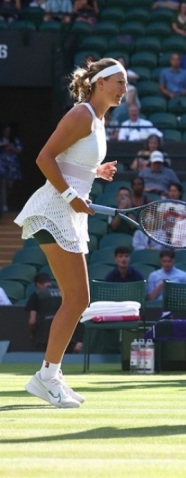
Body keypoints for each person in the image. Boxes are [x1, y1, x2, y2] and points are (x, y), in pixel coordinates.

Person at [14, 58, 120, 408]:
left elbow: (72, 161)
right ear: (100, 83)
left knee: (78, 299)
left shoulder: (98, 120)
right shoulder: (81, 114)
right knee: (77, 298)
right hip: (54, 209)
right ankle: (46, 378)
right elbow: (44, 158)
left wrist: (95, 172)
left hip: (67, 211)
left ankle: (50, 375)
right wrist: (73, 195)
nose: (124, 88)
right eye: (119, 81)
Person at [0, 124, 23, 213]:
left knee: (10, 185)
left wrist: (11, 147)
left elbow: (19, 150)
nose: (7, 133)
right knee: (3, 184)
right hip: (2, 164)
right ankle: (4, 204)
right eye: (6, 131)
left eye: (9, 131)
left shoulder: (15, 140)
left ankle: (8, 201)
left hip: (12, 165)